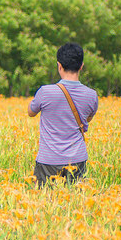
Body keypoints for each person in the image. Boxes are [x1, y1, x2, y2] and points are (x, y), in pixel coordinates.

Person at [27, 42, 98, 187]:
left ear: (59, 65)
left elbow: (31, 112)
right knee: (75, 203)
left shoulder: (45, 91)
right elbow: (87, 118)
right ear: (81, 66)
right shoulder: (92, 95)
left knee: (45, 203)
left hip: (48, 160)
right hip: (78, 159)